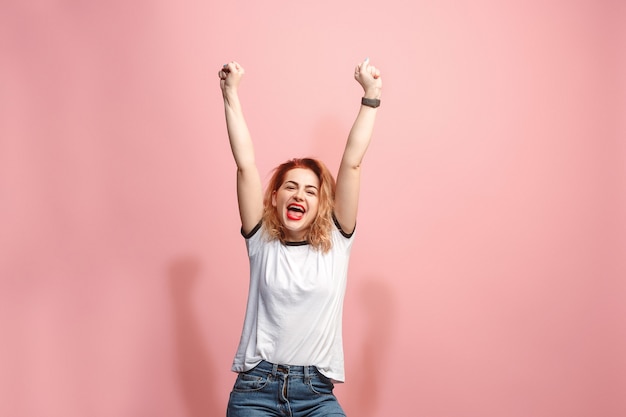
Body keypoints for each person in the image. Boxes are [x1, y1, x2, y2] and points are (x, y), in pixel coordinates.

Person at [218, 57, 382, 417]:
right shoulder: (261, 242)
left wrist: (370, 97)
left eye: (310, 190)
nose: (298, 195)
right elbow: (244, 164)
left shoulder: (338, 243)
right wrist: (230, 95)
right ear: (274, 198)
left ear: (322, 202)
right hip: (255, 391)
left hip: (316, 394)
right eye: (290, 187)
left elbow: (352, 163)